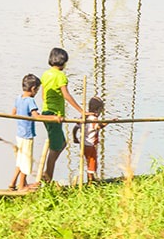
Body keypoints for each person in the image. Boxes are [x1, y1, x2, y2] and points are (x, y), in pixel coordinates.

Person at [40, 47, 84, 183]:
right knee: (56, 148)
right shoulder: (60, 76)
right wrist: (81, 111)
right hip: (54, 116)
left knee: (62, 143)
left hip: (46, 111)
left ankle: (46, 174)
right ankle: (47, 178)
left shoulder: (45, 74)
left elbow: (43, 95)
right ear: (63, 62)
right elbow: (66, 95)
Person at [8, 74, 42, 190]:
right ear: (33, 89)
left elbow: (13, 113)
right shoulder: (30, 101)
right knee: (26, 160)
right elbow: (36, 116)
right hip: (27, 135)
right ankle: (22, 185)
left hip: (19, 134)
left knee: (20, 159)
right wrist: (51, 118)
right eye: (37, 90)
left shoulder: (18, 98)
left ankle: (13, 183)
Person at [73, 96, 105, 181]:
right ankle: (90, 180)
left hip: (83, 143)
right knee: (92, 162)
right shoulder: (94, 119)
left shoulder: (83, 117)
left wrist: (75, 137)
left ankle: (91, 177)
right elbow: (98, 127)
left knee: (88, 161)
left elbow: (75, 128)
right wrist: (109, 122)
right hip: (90, 145)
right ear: (98, 110)